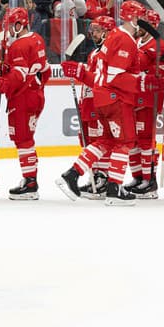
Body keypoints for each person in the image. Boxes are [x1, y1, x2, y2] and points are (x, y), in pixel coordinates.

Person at [57, 0, 153, 206]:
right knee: (125, 142)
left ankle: (72, 174)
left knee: (106, 141)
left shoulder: (113, 38)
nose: (142, 22)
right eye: (140, 18)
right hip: (116, 99)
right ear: (133, 18)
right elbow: (115, 76)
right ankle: (114, 188)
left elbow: (103, 76)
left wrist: (81, 72)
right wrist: (142, 81)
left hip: (102, 99)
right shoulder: (125, 40)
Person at [0, 7, 50, 199]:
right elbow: (45, 70)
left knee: (23, 139)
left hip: (23, 98)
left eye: (11, 25)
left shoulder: (19, 46)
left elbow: (18, 75)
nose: (8, 30)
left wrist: (1, 83)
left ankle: (30, 182)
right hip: (36, 95)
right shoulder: (37, 39)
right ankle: (30, 179)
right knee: (26, 139)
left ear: (20, 24)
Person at [61, 15, 117, 198]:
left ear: (107, 32)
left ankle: (102, 178)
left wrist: (79, 72)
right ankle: (96, 177)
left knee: (100, 140)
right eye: (93, 29)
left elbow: (100, 82)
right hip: (88, 103)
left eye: (98, 30)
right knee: (87, 141)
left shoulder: (108, 54)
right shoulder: (94, 53)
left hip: (98, 104)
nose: (93, 33)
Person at [127, 8, 164, 199]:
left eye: (144, 22)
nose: (139, 25)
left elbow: (140, 64)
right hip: (135, 97)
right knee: (133, 140)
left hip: (150, 98)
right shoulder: (137, 42)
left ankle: (149, 180)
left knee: (145, 140)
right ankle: (137, 177)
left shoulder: (157, 43)